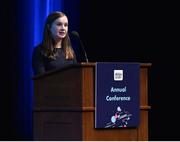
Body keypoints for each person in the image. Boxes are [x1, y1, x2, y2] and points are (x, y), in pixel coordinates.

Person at [32, 11, 77, 76]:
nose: (63, 28)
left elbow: (76, 75)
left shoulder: (70, 51)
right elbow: (40, 80)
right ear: (49, 27)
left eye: (66, 25)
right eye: (59, 24)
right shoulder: (39, 51)